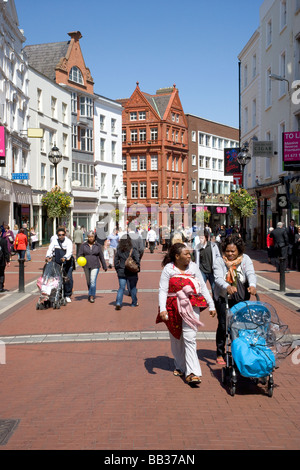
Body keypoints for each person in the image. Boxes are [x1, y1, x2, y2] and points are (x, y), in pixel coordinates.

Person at [157, 243, 216, 385]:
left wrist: (211, 305)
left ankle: (193, 373)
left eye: (190, 254)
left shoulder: (194, 267)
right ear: (177, 257)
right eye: (186, 254)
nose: (190, 256)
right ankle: (180, 365)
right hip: (173, 306)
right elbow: (163, 290)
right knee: (176, 338)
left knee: (190, 337)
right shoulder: (168, 269)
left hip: (191, 305)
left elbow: (202, 286)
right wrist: (162, 308)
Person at [213, 235, 257, 365]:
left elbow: (250, 273)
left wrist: (253, 285)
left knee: (241, 324)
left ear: (239, 250)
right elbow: (218, 278)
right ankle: (220, 352)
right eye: (227, 251)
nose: (230, 254)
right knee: (223, 324)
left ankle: (239, 349)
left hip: (241, 296)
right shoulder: (220, 261)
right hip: (223, 297)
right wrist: (227, 286)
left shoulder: (245, 259)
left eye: (233, 251)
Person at [45, 227, 74, 303]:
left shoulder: (68, 242)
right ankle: (58, 293)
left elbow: (69, 252)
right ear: (57, 235)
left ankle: (67, 295)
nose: (61, 236)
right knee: (56, 278)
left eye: (62, 235)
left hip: (67, 262)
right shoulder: (54, 241)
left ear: (65, 234)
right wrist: (48, 256)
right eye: (59, 235)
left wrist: (65, 257)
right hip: (57, 261)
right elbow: (50, 249)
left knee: (68, 278)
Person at [78, 230, 107, 303]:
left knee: (92, 281)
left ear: (94, 237)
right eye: (89, 237)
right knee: (88, 281)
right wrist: (81, 261)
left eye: (92, 237)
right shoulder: (83, 245)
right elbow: (80, 255)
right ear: (87, 237)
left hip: (95, 265)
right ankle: (90, 291)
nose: (91, 238)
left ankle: (91, 295)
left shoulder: (98, 246)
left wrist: (104, 266)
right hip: (86, 265)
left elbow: (101, 256)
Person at [114, 235, 140, 310]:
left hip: (122, 271)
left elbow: (116, 261)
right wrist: (137, 268)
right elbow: (137, 259)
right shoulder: (133, 249)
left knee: (121, 288)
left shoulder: (119, 249)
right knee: (133, 287)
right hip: (132, 271)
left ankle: (118, 302)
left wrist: (117, 269)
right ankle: (134, 303)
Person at [194, 229, 220, 295]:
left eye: (202, 238)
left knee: (215, 290)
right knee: (200, 289)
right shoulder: (197, 247)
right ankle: (200, 304)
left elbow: (218, 256)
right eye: (199, 238)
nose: (200, 239)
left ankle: (215, 304)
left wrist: (217, 267)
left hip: (212, 271)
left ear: (206, 238)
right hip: (202, 271)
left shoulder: (213, 246)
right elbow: (196, 260)